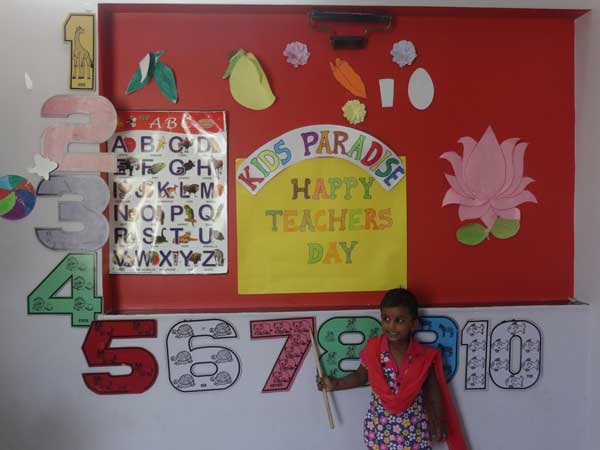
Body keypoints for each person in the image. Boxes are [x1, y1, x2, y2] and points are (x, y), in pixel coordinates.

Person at [317, 288, 468, 450]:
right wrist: (335, 384)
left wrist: (440, 421)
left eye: (400, 320)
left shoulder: (422, 357)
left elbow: (433, 390)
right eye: (386, 319)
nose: (392, 326)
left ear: (413, 324)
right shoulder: (374, 350)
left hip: (415, 431)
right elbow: (360, 376)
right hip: (380, 430)